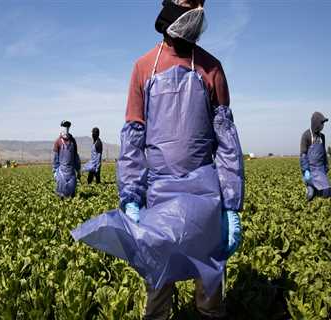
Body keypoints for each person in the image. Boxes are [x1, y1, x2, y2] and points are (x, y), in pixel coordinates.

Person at [72, 1, 244, 319]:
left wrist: (231, 206)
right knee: (158, 285)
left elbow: (227, 142)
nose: (199, 8)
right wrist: (131, 197)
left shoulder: (211, 68)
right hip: (158, 193)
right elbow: (133, 139)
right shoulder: (143, 67)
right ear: (170, 4)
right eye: (190, 1)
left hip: (205, 196)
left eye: (202, 2)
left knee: (210, 290)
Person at [300, 112, 329, 200]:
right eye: (321, 123)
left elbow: (323, 152)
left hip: (320, 169)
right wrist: (306, 170)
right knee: (310, 194)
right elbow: (303, 155)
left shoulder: (322, 136)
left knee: (326, 192)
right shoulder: (306, 135)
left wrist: (326, 165)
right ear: (316, 123)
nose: (322, 126)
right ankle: (310, 190)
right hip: (310, 169)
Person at [53, 120, 81, 198]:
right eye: (64, 127)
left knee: (72, 193)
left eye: (67, 127)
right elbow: (55, 158)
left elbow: (76, 156)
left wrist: (78, 170)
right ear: (61, 128)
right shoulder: (58, 142)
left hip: (71, 172)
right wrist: (55, 171)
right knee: (61, 193)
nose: (66, 129)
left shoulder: (73, 141)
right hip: (61, 172)